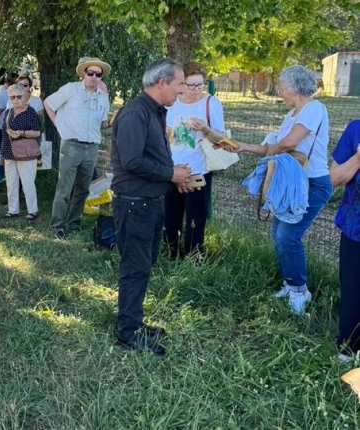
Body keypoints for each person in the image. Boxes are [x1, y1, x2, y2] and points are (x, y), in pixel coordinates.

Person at [231, 65, 332, 314]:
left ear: (295, 88)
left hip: (312, 183)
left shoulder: (313, 108)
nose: (280, 93)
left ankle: (300, 291)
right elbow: (272, 147)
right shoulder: (291, 116)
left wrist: (273, 148)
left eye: (283, 88)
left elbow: (288, 143)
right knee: (279, 234)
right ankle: (290, 284)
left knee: (288, 236)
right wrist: (241, 146)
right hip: (292, 182)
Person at [111, 58, 188, 356]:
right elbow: (132, 161)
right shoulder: (134, 113)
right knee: (135, 268)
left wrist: (173, 176)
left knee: (143, 266)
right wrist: (170, 174)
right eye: (179, 83)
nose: (181, 90)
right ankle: (127, 332)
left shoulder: (155, 111)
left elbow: (150, 156)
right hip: (134, 205)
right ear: (162, 83)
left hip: (149, 202)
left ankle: (134, 321)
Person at [164, 61, 226, 258]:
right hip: (171, 170)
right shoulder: (171, 103)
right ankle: (169, 254)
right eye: (192, 85)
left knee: (195, 220)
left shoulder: (210, 103)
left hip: (198, 170)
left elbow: (221, 138)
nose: (197, 90)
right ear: (181, 85)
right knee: (169, 218)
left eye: (201, 85)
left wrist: (205, 129)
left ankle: (194, 257)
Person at [45, 57, 111, 238]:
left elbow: (103, 124)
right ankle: (56, 226)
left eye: (98, 74)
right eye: (91, 73)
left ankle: (74, 224)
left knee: (82, 190)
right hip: (71, 146)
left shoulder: (103, 98)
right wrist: (59, 125)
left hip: (91, 149)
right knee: (64, 189)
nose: (94, 77)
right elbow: (48, 104)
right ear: (84, 73)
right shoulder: (70, 89)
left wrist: (113, 121)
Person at [330, 120, 360, 363]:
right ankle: (349, 349)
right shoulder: (355, 129)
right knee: (352, 289)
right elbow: (335, 177)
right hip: (355, 228)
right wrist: (359, 158)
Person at [0, 83, 41, 220]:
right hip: (9, 153)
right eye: (13, 97)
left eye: (19, 96)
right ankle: (13, 210)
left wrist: (21, 133)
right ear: (9, 98)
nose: (16, 99)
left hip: (26, 153)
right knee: (11, 183)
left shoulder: (31, 112)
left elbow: (37, 132)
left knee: (28, 182)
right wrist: (2, 154)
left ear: (24, 97)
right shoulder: (8, 113)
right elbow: (4, 136)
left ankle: (32, 210)